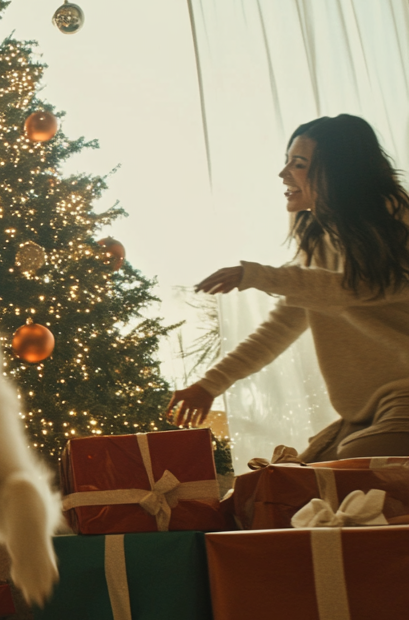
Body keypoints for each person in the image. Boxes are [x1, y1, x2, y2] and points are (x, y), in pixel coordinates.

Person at [168, 114, 409, 461]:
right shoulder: (318, 238)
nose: (284, 175)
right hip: (363, 411)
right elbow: (282, 325)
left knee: (349, 473)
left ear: (338, 171)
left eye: (298, 164)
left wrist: (257, 276)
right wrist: (209, 386)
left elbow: (364, 286)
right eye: (287, 163)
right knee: (286, 486)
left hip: (403, 394)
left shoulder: (392, 216)